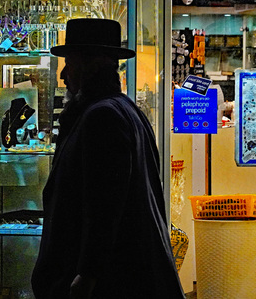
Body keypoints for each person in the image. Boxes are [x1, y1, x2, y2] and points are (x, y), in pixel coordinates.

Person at [31, 18, 185, 299]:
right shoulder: (127, 111)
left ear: (90, 66)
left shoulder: (102, 117)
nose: (64, 75)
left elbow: (104, 206)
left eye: (70, 64)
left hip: (112, 281)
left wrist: (87, 274)